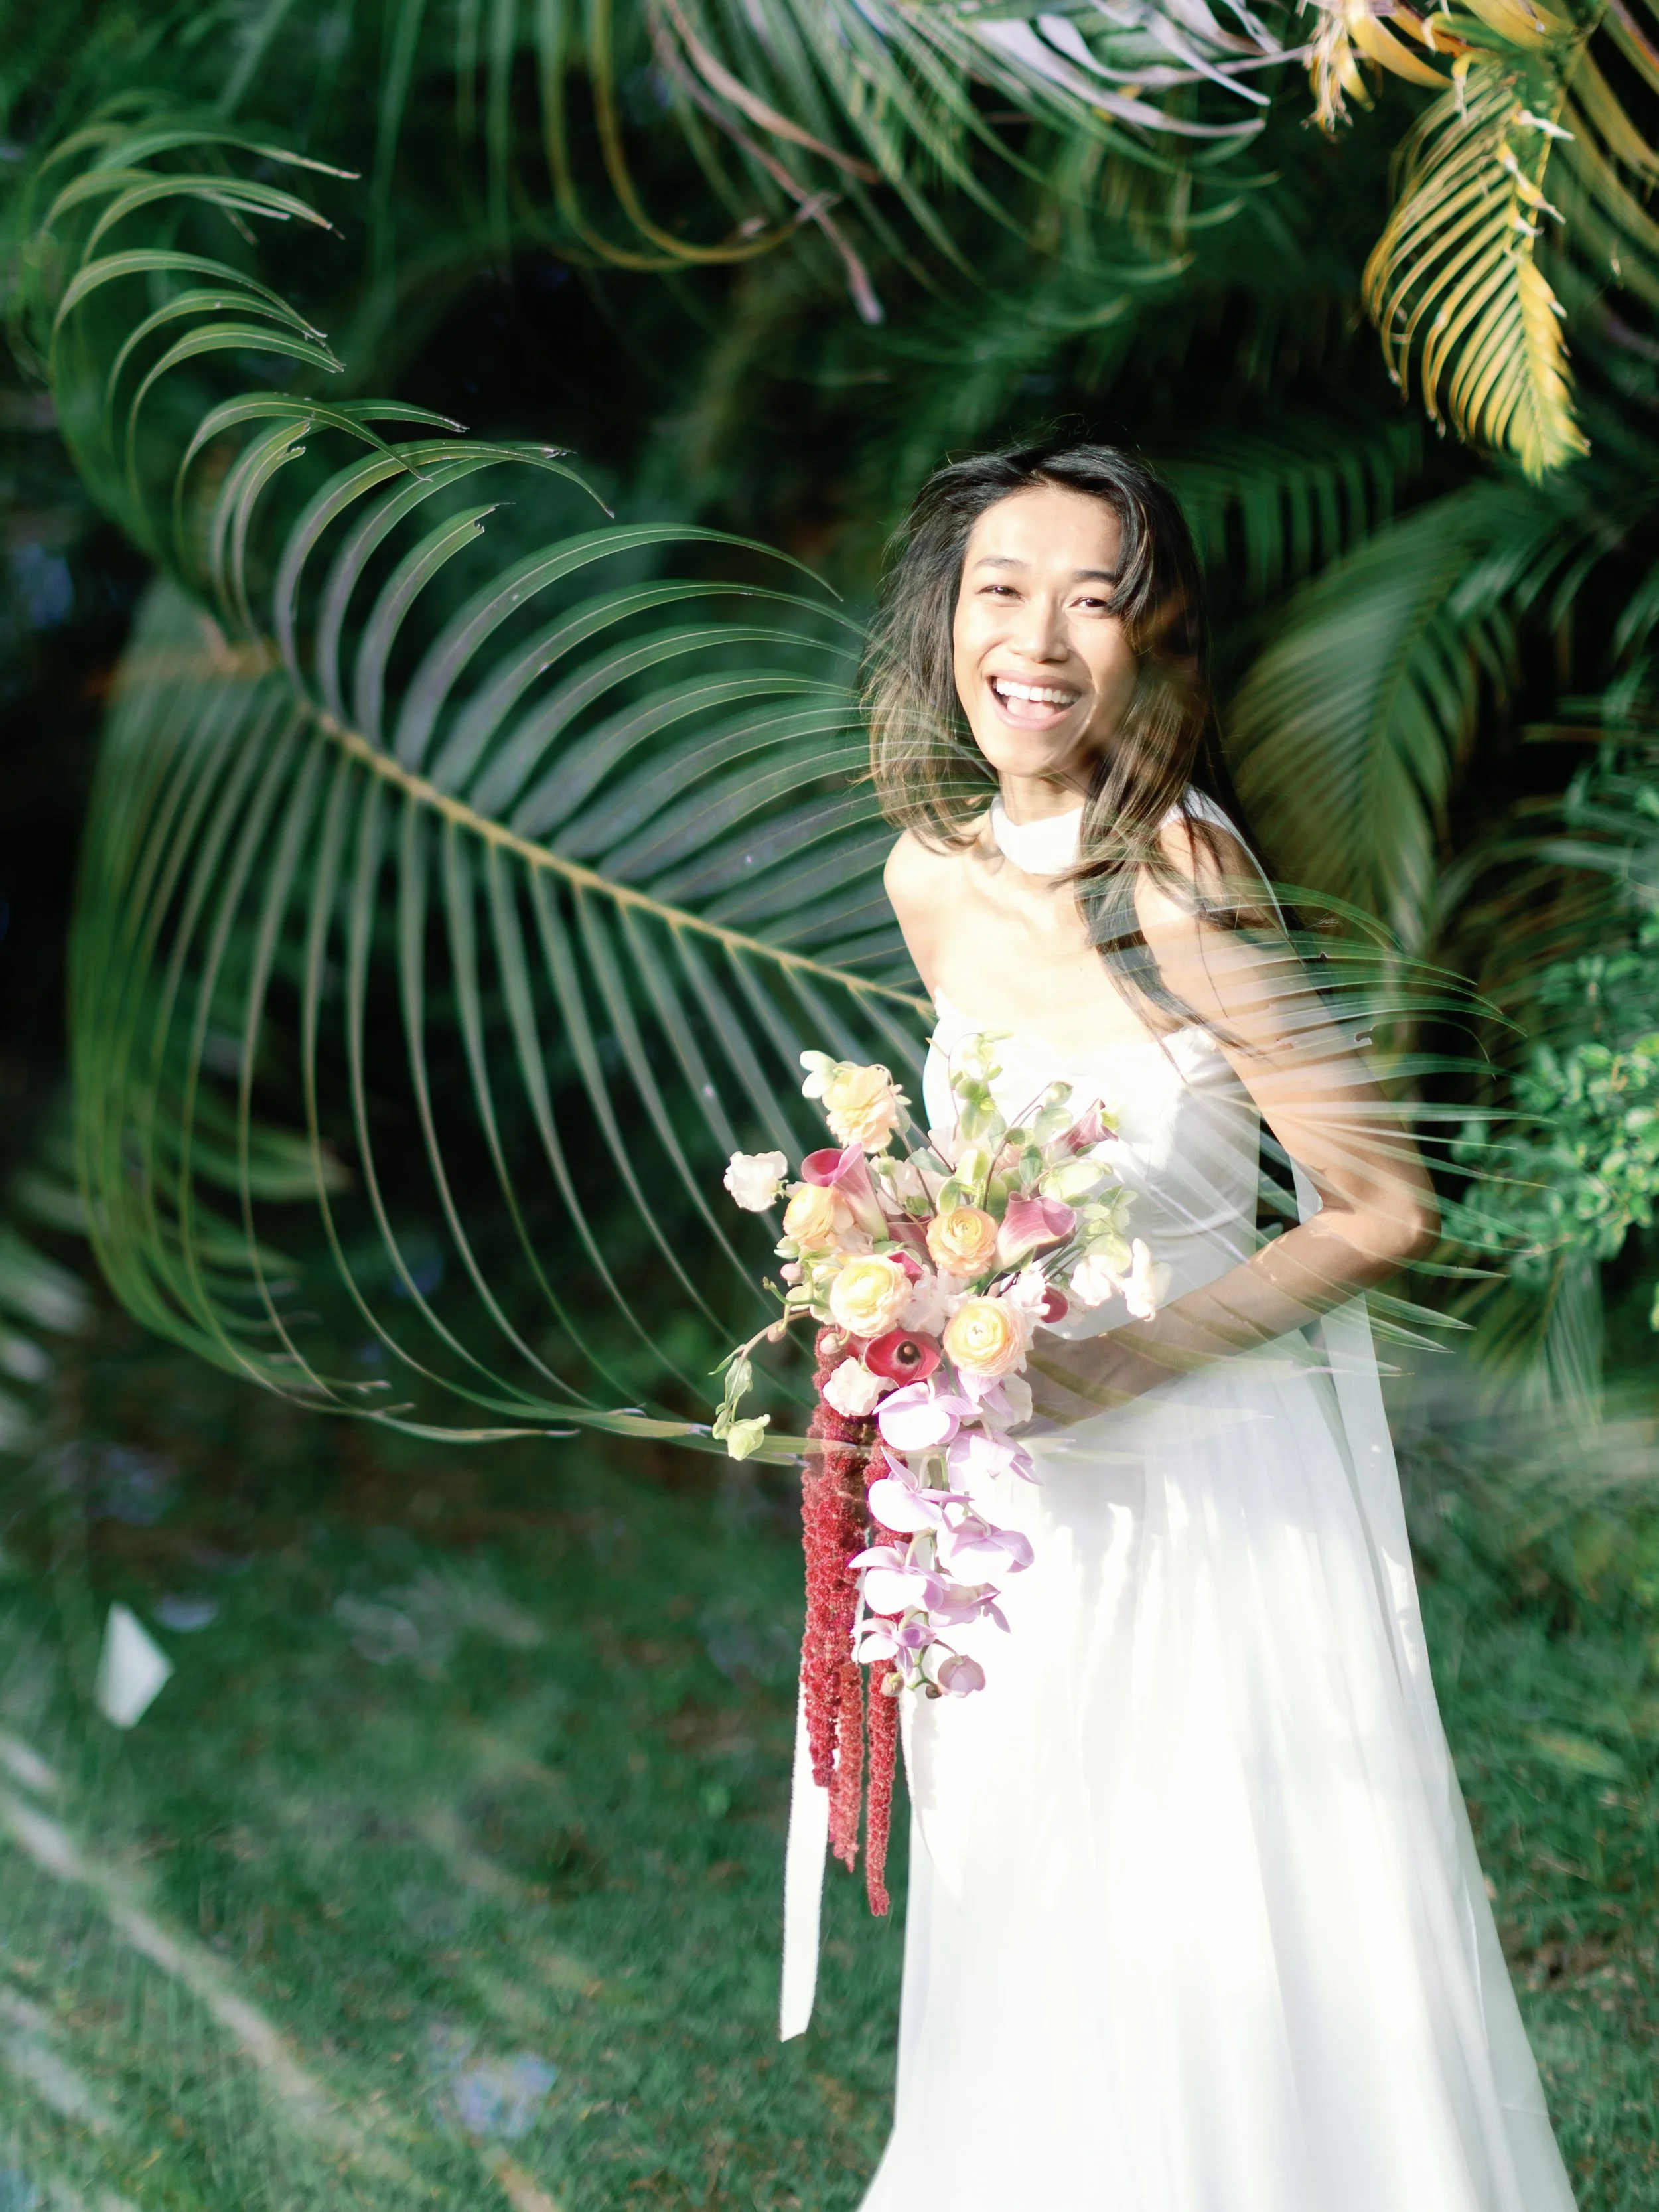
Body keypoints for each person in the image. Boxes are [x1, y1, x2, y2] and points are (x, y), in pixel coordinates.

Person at [851, 443, 1577, 2209]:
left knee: (1211, 1917)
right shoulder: (923, 876)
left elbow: (1382, 1201)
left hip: (1199, 1501)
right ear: (942, 618)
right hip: (1016, 1516)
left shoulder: (1174, 876)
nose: (1035, 637)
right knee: (1040, 1920)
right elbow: (983, 1185)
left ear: (1146, 645)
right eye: (1000, 588)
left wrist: (1120, 1360)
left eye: (1090, 599)